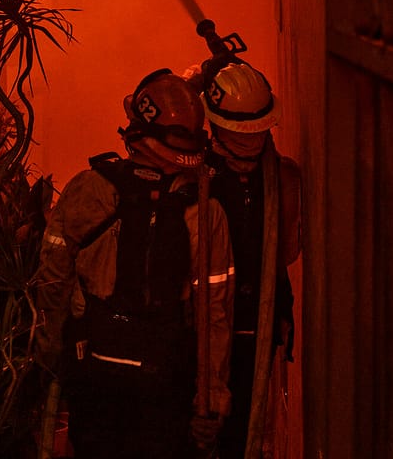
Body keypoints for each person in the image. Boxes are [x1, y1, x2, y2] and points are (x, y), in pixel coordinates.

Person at [34, 69, 235, 458]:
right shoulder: (205, 213)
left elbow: (53, 278)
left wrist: (49, 352)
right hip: (167, 379)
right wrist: (211, 395)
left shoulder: (89, 188)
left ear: (135, 133)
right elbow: (215, 313)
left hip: (92, 369)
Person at [198, 60, 302, 459]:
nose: (250, 141)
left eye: (256, 131)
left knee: (245, 435)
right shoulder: (197, 176)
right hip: (203, 329)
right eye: (241, 132)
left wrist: (280, 309)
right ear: (213, 124)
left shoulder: (280, 179)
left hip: (257, 324)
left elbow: (284, 254)